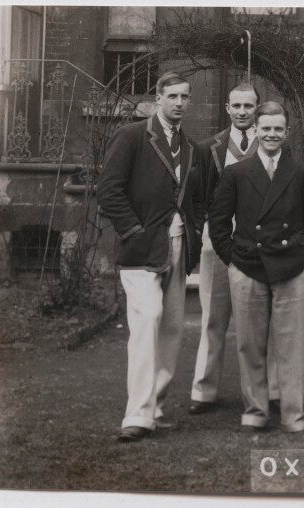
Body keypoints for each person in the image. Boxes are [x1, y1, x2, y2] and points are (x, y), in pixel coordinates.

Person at [98, 72, 205, 442]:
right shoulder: (131, 136)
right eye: (172, 96)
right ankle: (137, 415)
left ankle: (156, 405)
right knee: (148, 320)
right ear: (157, 98)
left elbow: (196, 198)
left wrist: (193, 230)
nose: (179, 102)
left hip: (177, 245)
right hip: (142, 249)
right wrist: (134, 231)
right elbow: (109, 191)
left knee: (172, 328)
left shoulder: (191, 147)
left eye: (184, 97)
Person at [208, 101, 304, 432]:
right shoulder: (236, 173)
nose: (272, 134)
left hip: (290, 268)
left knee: (292, 346)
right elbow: (218, 222)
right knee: (250, 343)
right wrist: (233, 260)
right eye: (266, 128)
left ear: (286, 133)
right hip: (248, 267)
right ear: (255, 131)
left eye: (278, 129)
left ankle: (294, 413)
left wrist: (301, 257)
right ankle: (256, 409)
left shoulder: (302, 173)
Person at [188, 83, 280, 415]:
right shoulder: (209, 147)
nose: (243, 112)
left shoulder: (271, 141)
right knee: (214, 317)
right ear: (227, 108)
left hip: (259, 243)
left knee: (261, 320)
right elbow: (199, 196)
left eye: (249, 106)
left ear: (258, 108)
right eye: (236, 105)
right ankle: (204, 389)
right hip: (218, 241)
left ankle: (269, 390)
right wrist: (207, 231)